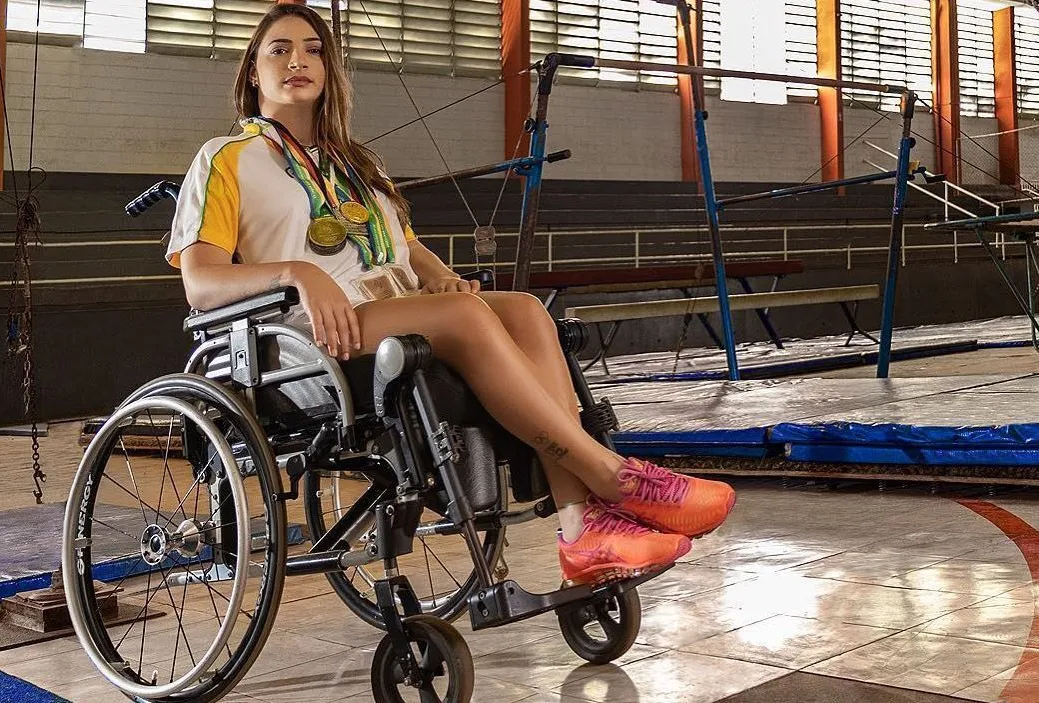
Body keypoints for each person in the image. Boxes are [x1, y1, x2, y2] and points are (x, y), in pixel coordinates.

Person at [165, 1, 735, 586]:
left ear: (330, 71)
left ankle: (580, 527)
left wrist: (438, 274)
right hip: (313, 335)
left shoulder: (356, 165)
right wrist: (296, 273)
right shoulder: (226, 159)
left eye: (313, 50)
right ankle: (615, 477)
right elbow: (201, 282)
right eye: (279, 50)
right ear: (252, 72)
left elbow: (406, 248)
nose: (297, 62)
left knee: (525, 310)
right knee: (465, 314)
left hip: (392, 307)